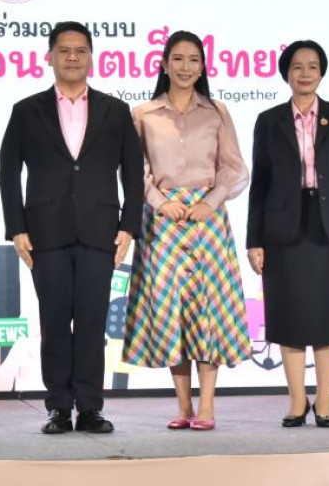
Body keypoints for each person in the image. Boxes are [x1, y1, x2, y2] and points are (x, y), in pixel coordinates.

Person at [0, 21, 143, 435]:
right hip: (45, 232)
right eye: (64, 50)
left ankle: (91, 407)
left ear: (92, 57)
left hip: (101, 231)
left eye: (80, 50)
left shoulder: (115, 110)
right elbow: (8, 171)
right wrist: (17, 227)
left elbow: (133, 172)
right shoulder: (26, 110)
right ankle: (59, 407)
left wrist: (129, 225)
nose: (73, 57)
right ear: (50, 57)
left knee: (93, 323)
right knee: (55, 322)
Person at [121, 30, 250, 431]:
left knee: (207, 310)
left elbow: (234, 167)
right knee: (171, 311)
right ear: (164, 64)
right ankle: (183, 406)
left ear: (202, 66)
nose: (185, 67)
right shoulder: (143, 114)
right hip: (162, 222)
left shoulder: (216, 111)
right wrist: (161, 202)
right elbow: (134, 170)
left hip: (207, 221)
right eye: (177, 59)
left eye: (193, 60)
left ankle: (207, 406)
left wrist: (211, 202)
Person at [246, 40, 329, 428]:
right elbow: (260, 183)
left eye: (312, 66)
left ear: (321, 72)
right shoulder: (269, 120)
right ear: (286, 73)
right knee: (289, 316)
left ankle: (326, 403)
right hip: (283, 229)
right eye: (297, 66)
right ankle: (297, 402)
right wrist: (254, 239)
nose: (305, 73)